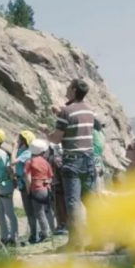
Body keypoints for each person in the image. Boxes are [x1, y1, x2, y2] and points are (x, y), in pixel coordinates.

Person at [48, 78, 97, 245]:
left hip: (72, 160)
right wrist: (61, 111)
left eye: (69, 88)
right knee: (91, 200)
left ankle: (76, 242)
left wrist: (45, 132)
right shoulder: (90, 111)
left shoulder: (66, 112)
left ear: (75, 90)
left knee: (72, 202)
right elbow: (76, 121)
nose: (66, 91)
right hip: (89, 159)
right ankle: (99, 238)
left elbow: (56, 139)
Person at [25, 138, 55, 244]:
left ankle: (45, 233)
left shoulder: (30, 161)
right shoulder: (45, 162)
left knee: (39, 212)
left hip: (36, 188)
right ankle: (53, 229)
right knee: (48, 211)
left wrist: (28, 190)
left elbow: (27, 177)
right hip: (46, 188)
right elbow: (50, 177)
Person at [13, 130, 37, 245]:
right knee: (28, 211)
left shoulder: (27, 152)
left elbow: (13, 162)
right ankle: (33, 234)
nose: (18, 140)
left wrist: (13, 148)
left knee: (31, 211)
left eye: (21, 139)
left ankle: (35, 235)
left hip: (27, 184)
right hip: (22, 184)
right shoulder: (22, 150)